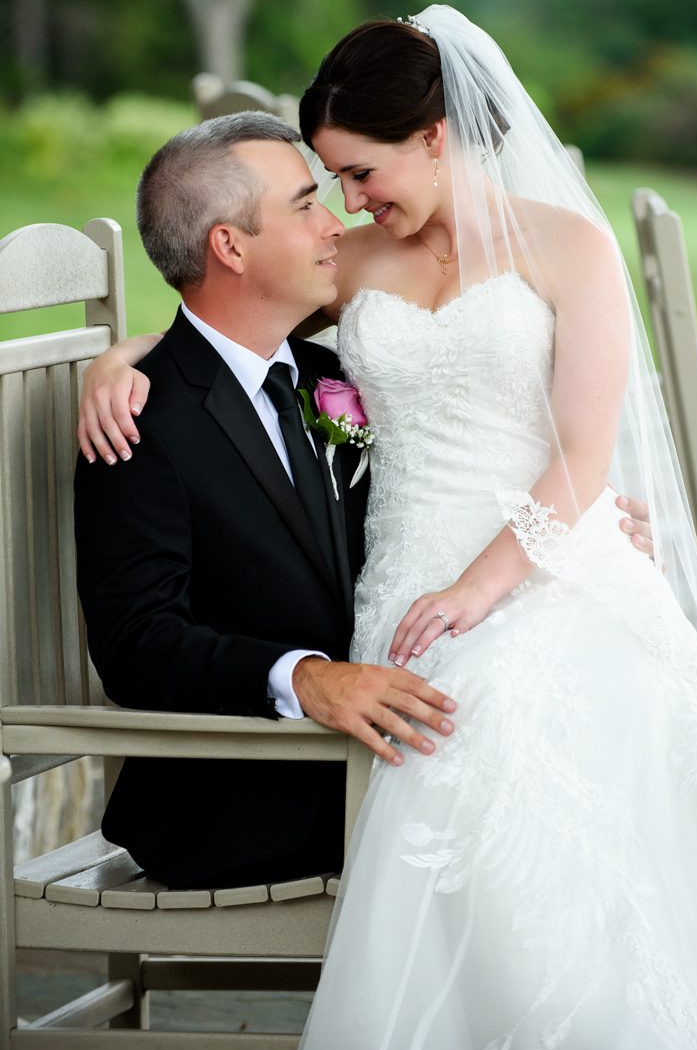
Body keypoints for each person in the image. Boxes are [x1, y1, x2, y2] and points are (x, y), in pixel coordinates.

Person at [81, 8, 697, 1050]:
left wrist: (488, 583)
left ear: (434, 134)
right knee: (470, 728)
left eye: (359, 172)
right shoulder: (358, 263)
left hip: (542, 562)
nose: (350, 203)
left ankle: (641, 1032)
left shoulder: (571, 247)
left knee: (621, 706)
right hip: (410, 589)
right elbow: (229, 320)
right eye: (329, 184)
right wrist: (119, 356)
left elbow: (580, 450)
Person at [73, 111, 462, 889]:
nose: (337, 224)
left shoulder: (331, 376)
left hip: (384, 753)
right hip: (251, 794)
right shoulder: (141, 421)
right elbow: (137, 644)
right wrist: (307, 678)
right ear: (230, 245)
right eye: (304, 205)